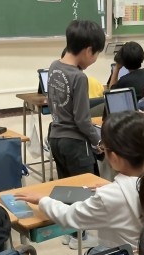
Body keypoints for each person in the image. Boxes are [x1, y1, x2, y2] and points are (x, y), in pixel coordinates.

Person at [15, 111, 144, 251]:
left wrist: (42, 200)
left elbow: (69, 217)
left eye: (104, 147)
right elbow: (134, 195)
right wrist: (113, 187)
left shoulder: (110, 196)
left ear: (115, 157)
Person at [48, 20, 105, 180]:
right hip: (76, 144)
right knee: (87, 188)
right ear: (88, 51)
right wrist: (98, 141)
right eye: (96, 54)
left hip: (56, 139)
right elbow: (82, 120)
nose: (95, 59)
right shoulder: (79, 77)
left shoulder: (54, 66)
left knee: (68, 188)